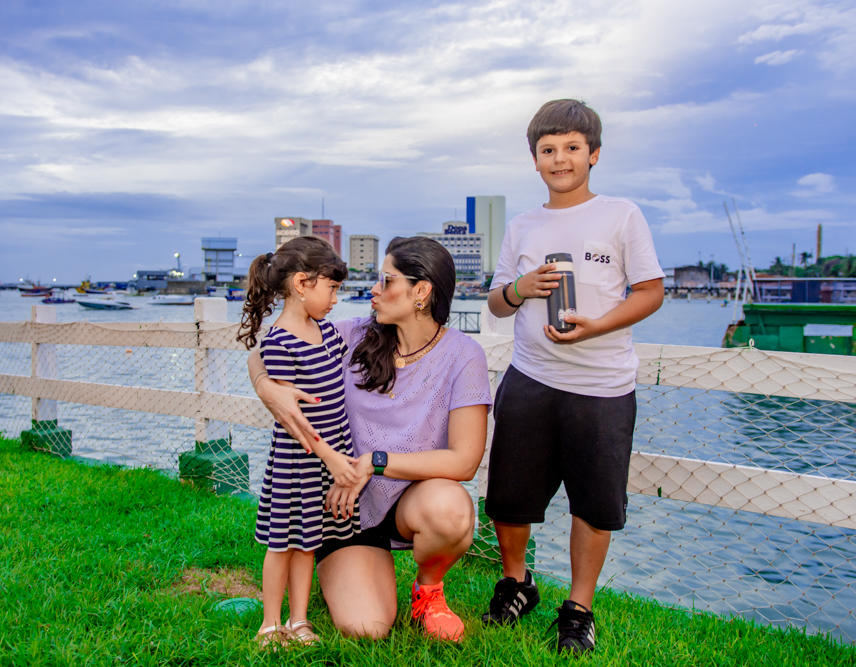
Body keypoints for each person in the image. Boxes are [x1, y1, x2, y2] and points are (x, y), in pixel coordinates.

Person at [482, 99, 665, 655]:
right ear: (534, 160)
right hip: (530, 378)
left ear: (594, 154)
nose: (560, 158)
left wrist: (597, 326)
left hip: (604, 386)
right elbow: (494, 304)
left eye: (572, 148)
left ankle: (579, 608)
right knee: (509, 498)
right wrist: (522, 289)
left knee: (594, 503)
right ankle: (517, 583)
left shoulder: (622, 215)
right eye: (548, 150)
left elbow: (652, 291)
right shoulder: (523, 225)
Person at [247, 236, 492, 642]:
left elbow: (464, 461)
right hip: (341, 508)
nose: (373, 290)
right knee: (366, 627)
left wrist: (373, 461)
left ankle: (427, 591)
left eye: (386, 280)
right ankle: (334, 579)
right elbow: (270, 346)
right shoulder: (352, 335)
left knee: (452, 509)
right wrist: (265, 386)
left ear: (422, 291)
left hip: (408, 501)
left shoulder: (463, 355)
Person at [236, 236, 362, 648]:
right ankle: (271, 622)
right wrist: (331, 457)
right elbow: (293, 419)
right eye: (332, 288)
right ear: (302, 284)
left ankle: (300, 619)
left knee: (308, 543)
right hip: (299, 461)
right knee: (282, 544)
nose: (335, 299)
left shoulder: (325, 331)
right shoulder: (279, 342)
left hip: (327, 457)